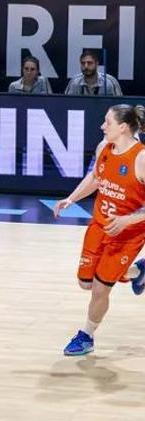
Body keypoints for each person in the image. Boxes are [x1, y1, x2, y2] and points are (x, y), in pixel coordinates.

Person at [53, 104, 145, 356]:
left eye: (108, 122)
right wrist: (71, 198)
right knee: (85, 283)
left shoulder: (141, 158)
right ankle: (138, 270)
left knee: (100, 287)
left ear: (123, 127)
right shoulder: (103, 147)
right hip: (99, 225)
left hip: (128, 233)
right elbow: (95, 177)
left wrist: (128, 220)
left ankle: (86, 336)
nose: (102, 126)